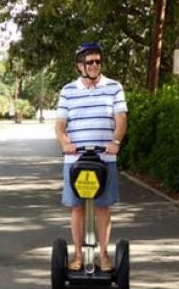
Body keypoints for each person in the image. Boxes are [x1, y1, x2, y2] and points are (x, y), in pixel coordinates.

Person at [55, 42, 128, 272]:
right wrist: (65, 142)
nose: (95, 65)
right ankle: (77, 255)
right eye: (90, 62)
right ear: (80, 66)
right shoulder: (68, 90)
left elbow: (121, 120)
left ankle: (104, 255)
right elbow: (60, 125)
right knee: (76, 207)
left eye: (98, 61)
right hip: (75, 158)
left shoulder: (114, 87)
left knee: (102, 207)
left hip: (104, 158)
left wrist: (115, 142)